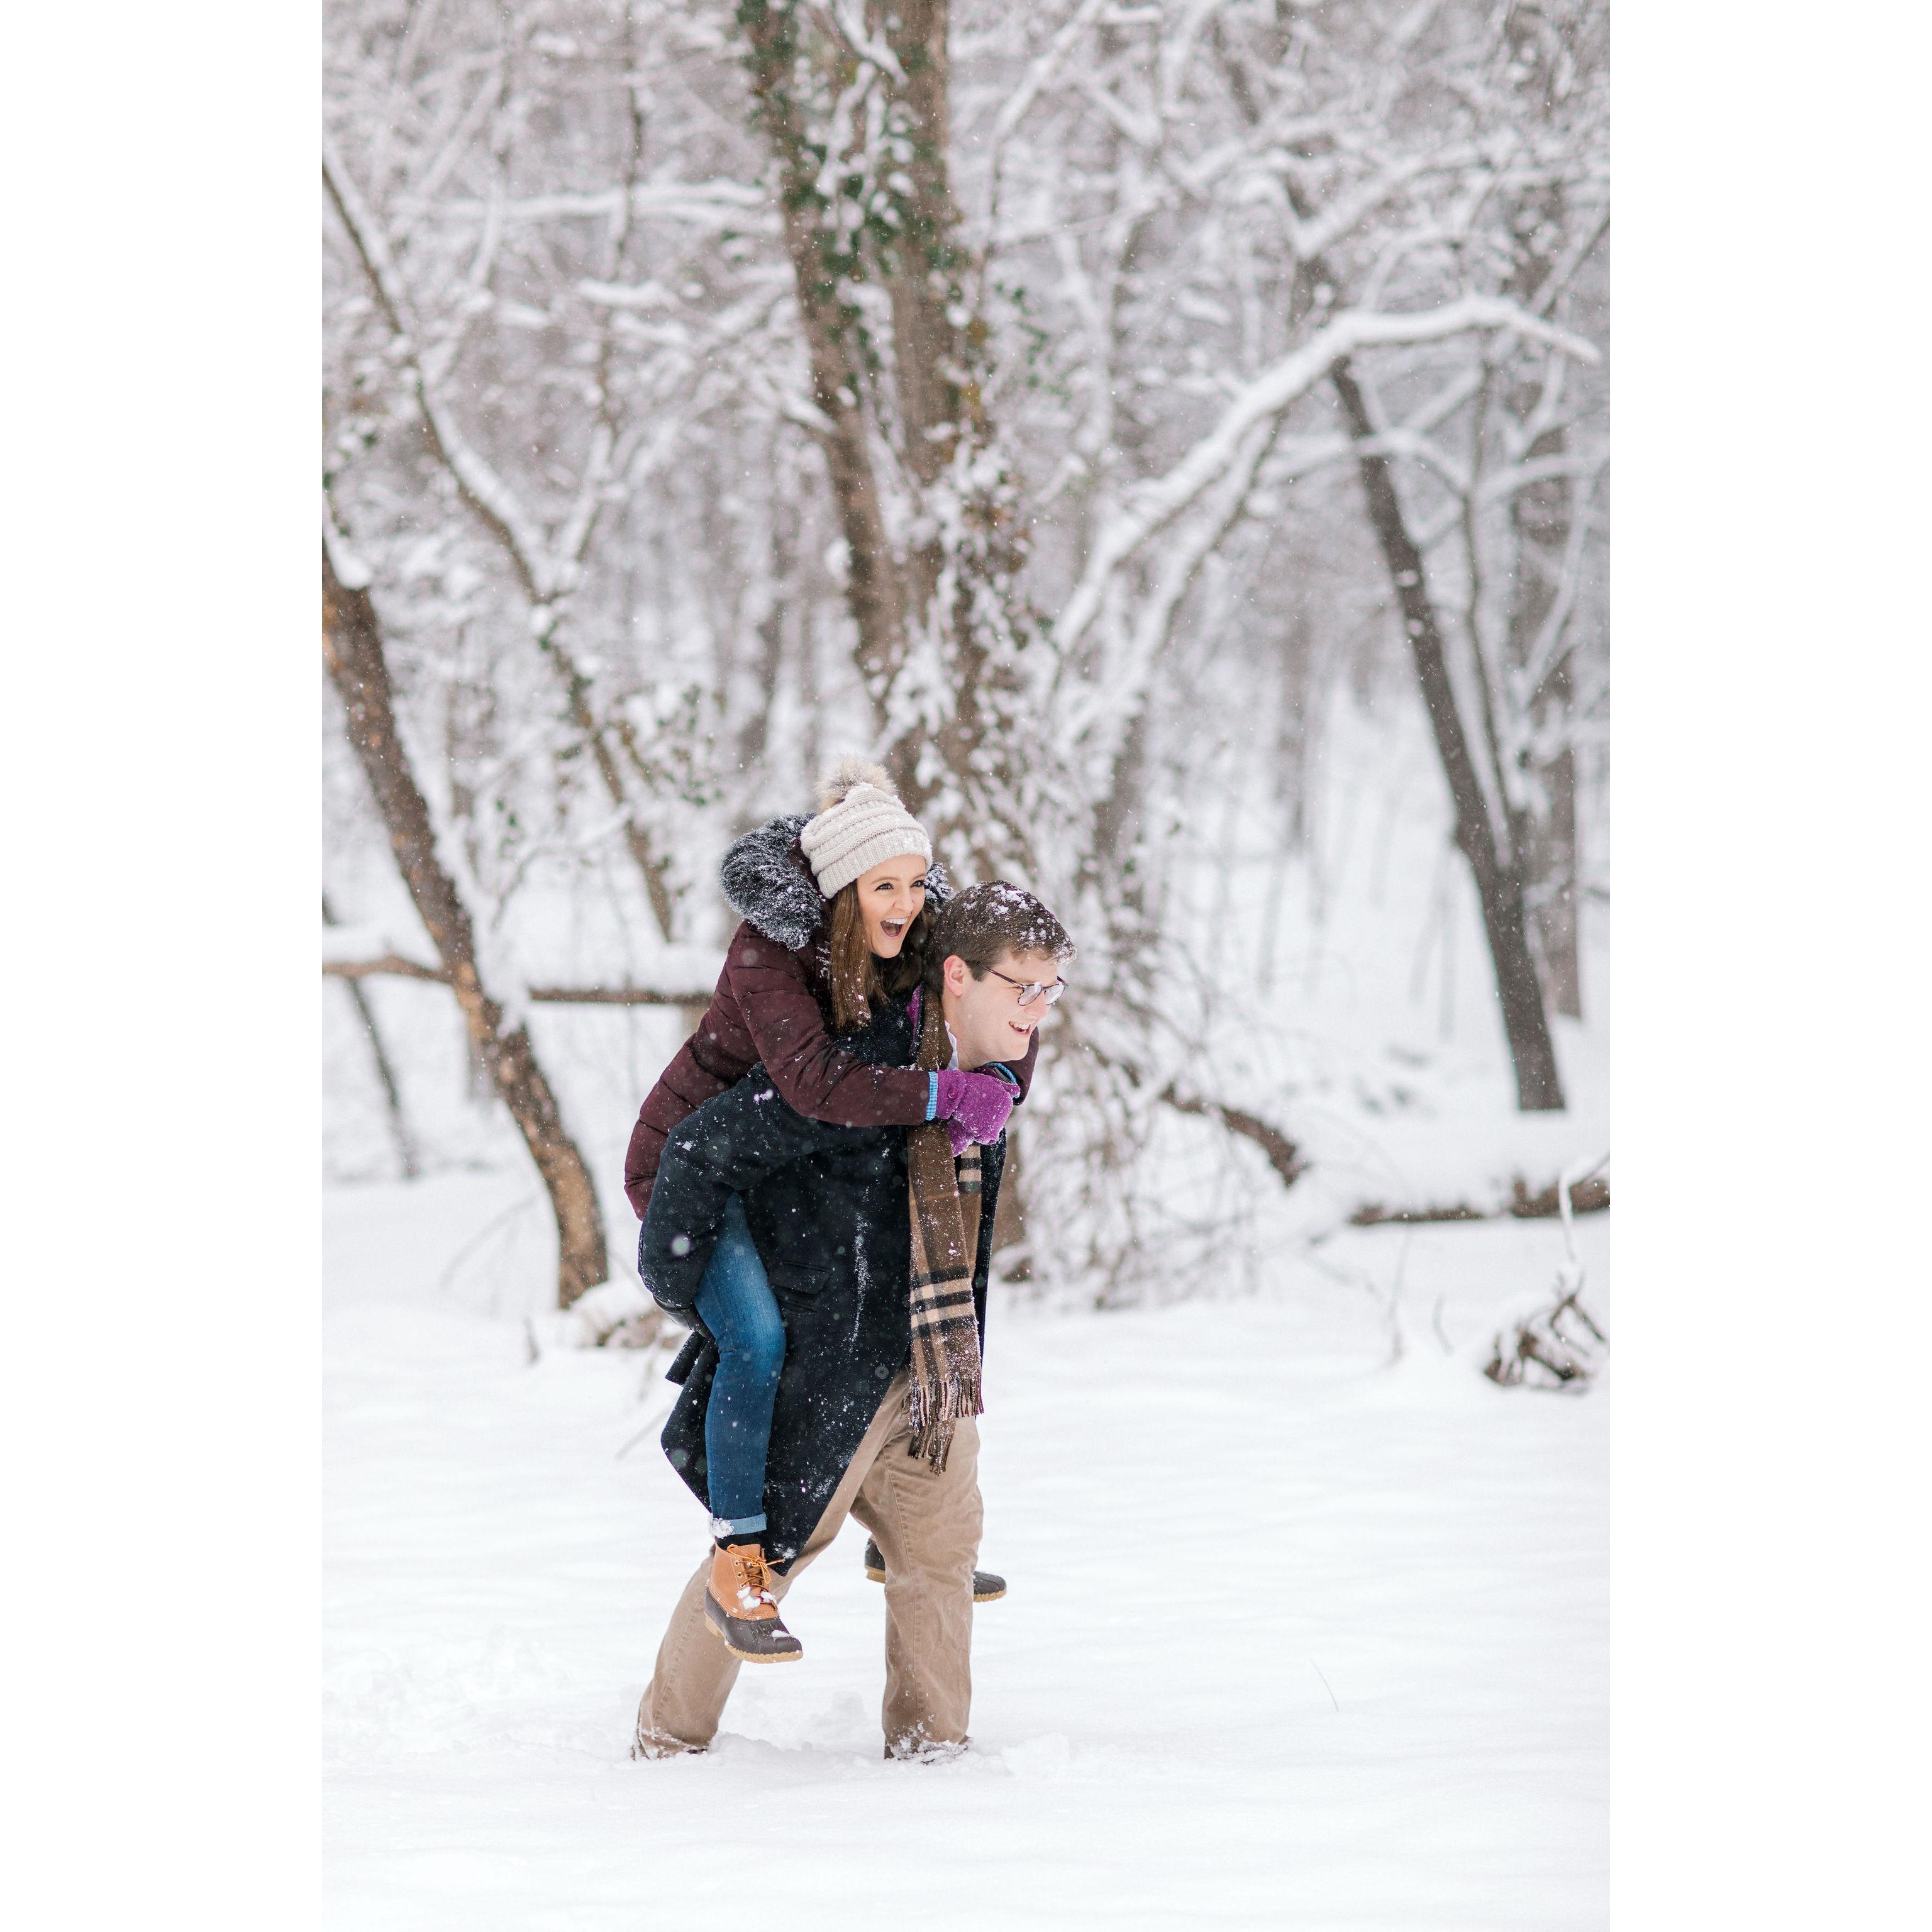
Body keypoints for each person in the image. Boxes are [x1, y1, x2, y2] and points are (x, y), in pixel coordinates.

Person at [633, 880, 1075, 1761]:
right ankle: (667, 1745)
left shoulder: (997, 1067)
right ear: (956, 977)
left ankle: (930, 1756)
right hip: (824, 1365)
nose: (1037, 1010)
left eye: (1050, 989)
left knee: (941, 1554)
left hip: (932, 1358)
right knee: (769, 1564)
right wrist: (699, 1295)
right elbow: (696, 1151)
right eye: (1020, 988)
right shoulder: (854, 1070)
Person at [622, 760, 1031, 1661]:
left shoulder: (908, 931)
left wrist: (1000, 1067)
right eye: (886, 887)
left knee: (846, 1330)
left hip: (774, 1168)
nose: (907, 904)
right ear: (843, 888)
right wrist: (941, 1095)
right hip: (694, 1170)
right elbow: (811, 1086)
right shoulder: (768, 950)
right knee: (760, 1341)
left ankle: (912, 1538)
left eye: (918, 883)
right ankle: (740, 1553)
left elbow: (979, 1004)